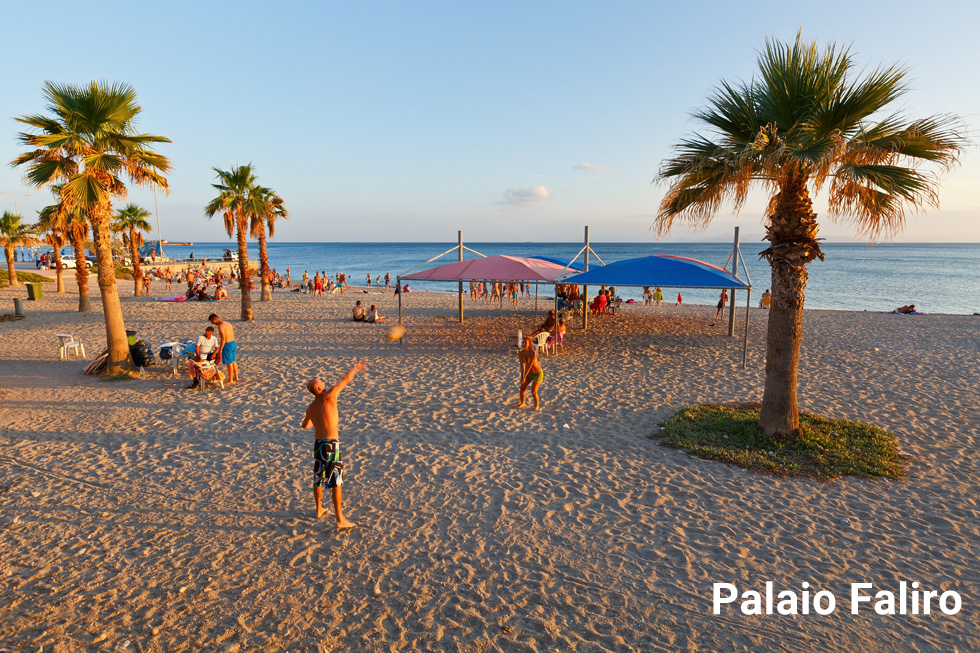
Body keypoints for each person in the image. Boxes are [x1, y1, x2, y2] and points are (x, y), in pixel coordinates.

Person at [302, 362, 367, 527]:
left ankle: (318, 509)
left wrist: (311, 423)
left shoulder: (311, 407)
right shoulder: (329, 395)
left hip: (318, 444)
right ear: (319, 389)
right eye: (321, 382)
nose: (324, 382)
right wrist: (355, 368)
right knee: (335, 481)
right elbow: (345, 380)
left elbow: (305, 424)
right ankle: (340, 519)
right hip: (331, 444)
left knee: (319, 476)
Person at [209, 313, 239, 384]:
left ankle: (230, 380)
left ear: (214, 320)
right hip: (233, 343)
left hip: (227, 344)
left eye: (212, 322)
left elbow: (223, 338)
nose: (213, 324)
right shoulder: (228, 323)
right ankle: (236, 377)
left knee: (229, 363)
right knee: (233, 361)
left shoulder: (221, 326)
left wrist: (221, 348)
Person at [517, 336, 543, 410]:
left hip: (537, 373)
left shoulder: (532, 353)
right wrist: (522, 377)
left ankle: (536, 406)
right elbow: (522, 366)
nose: (524, 344)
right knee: (522, 388)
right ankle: (522, 403)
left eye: (526, 342)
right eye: (523, 342)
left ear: (529, 344)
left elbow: (530, 366)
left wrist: (524, 376)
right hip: (528, 373)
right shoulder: (521, 353)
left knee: (533, 391)